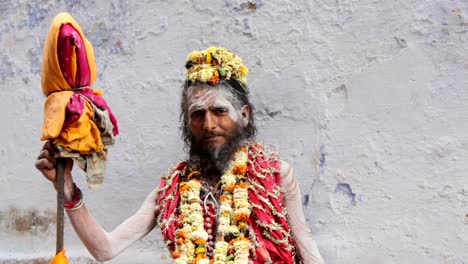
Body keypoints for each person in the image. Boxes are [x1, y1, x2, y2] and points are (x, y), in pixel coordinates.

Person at [35, 47, 324, 264]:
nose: (209, 124)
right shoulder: (171, 191)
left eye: (220, 111)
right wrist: (68, 190)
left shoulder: (275, 175)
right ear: (188, 123)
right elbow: (105, 249)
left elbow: (309, 254)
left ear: (244, 116)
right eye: (198, 114)